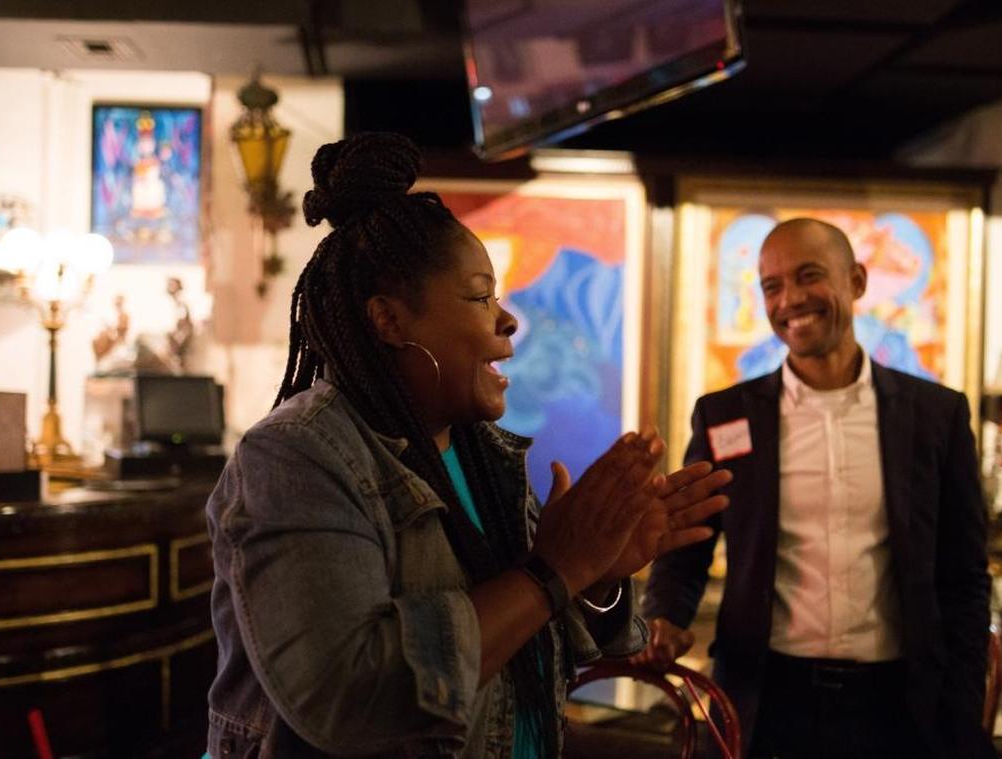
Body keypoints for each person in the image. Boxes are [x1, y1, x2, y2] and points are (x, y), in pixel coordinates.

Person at [205, 132, 732, 758]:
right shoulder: (297, 456)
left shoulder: (482, 453)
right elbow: (349, 695)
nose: (507, 320)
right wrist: (554, 570)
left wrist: (599, 575)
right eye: (481, 297)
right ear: (390, 320)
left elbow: (530, 636)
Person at [636, 218, 993, 758]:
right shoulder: (726, 416)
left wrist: (961, 713)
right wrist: (665, 618)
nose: (790, 300)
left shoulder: (937, 416)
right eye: (772, 286)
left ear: (856, 281)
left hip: (900, 710)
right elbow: (688, 546)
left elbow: (965, 577)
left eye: (808, 277)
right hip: (765, 705)